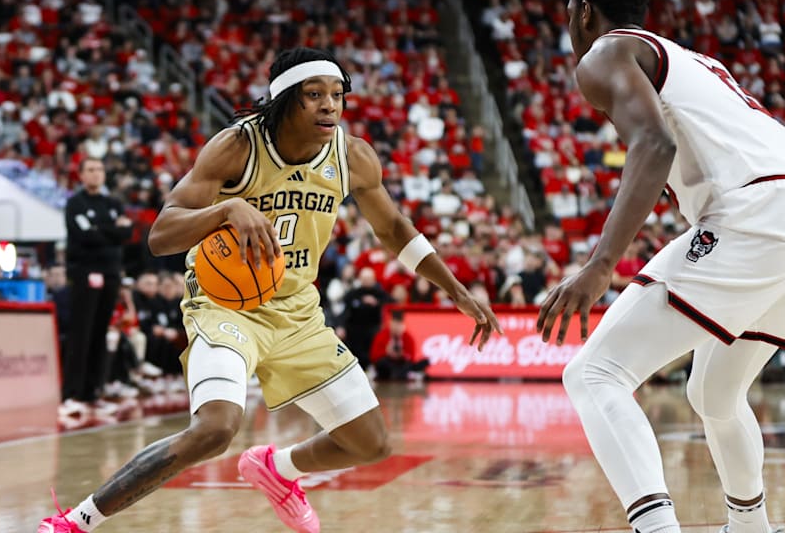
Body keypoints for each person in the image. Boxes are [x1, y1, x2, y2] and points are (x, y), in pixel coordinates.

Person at [38, 47, 499, 533]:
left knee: (371, 444)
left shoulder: (353, 155)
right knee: (215, 429)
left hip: (298, 313)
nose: (330, 106)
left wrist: (455, 290)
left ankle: (277, 470)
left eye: (337, 95)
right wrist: (223, 211)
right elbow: (160, 235)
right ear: (283, 100)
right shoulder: (237, 146)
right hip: (225, 307)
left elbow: (395, 229)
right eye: (314, 95)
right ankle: (74, 522)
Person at [535, 0, 785, 533]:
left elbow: (653, 145)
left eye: (569, 12)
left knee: (594, 374)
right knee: (715, 393)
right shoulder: (698, 63)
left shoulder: (607, 52)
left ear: (584, 11)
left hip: (756, 217)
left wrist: (600, 265)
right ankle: (750, 527)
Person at [60, 157, 133, 418]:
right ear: (80, 175)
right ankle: (70, 395)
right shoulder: (75, 203)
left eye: (100, 169)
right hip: (85, 273)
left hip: (111, 274)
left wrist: (103, 232)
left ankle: (92, 393)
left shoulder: (113, 203)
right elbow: (84, 236)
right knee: (81, 334)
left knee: (101, 334)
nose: (96, 174)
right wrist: (112, 231)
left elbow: (127, 234)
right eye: (91, 170)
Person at [370, 310, 430, 381]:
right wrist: (386, 352)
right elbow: (374, 356)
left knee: (417, 363)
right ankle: (402, 374)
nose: (396, 327)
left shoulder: (407, 337)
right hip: (387, 363)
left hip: (401, 363)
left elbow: (411, 357)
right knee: (383, 363)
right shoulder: (381, 336)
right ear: (390, 323)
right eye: (395, 323)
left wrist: (402, 355)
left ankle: (398, 374)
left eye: (398, 324)